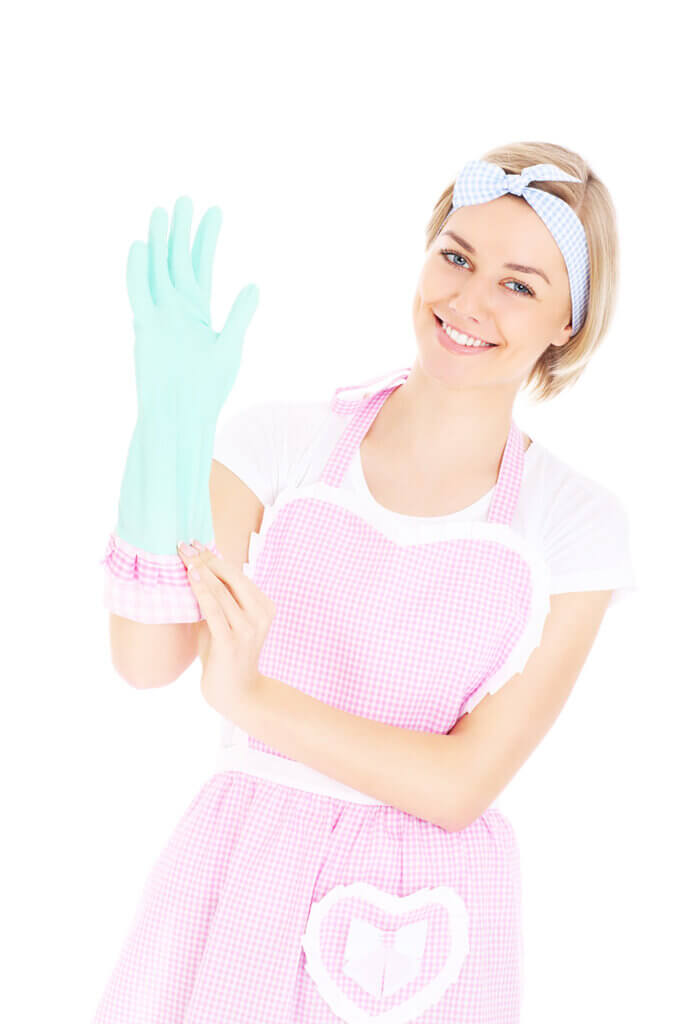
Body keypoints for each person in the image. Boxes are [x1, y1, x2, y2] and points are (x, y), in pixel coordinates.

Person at [93, 140, 638, 1023]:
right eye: (455, 257)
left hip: (424, 910)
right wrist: (166, 428)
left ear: (567, 322)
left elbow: (459, 786)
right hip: (243, 865)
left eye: (519, 283)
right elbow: (148, 657)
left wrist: (254, 700)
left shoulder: (572, 523)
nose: (466, 300)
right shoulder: (282, 443)